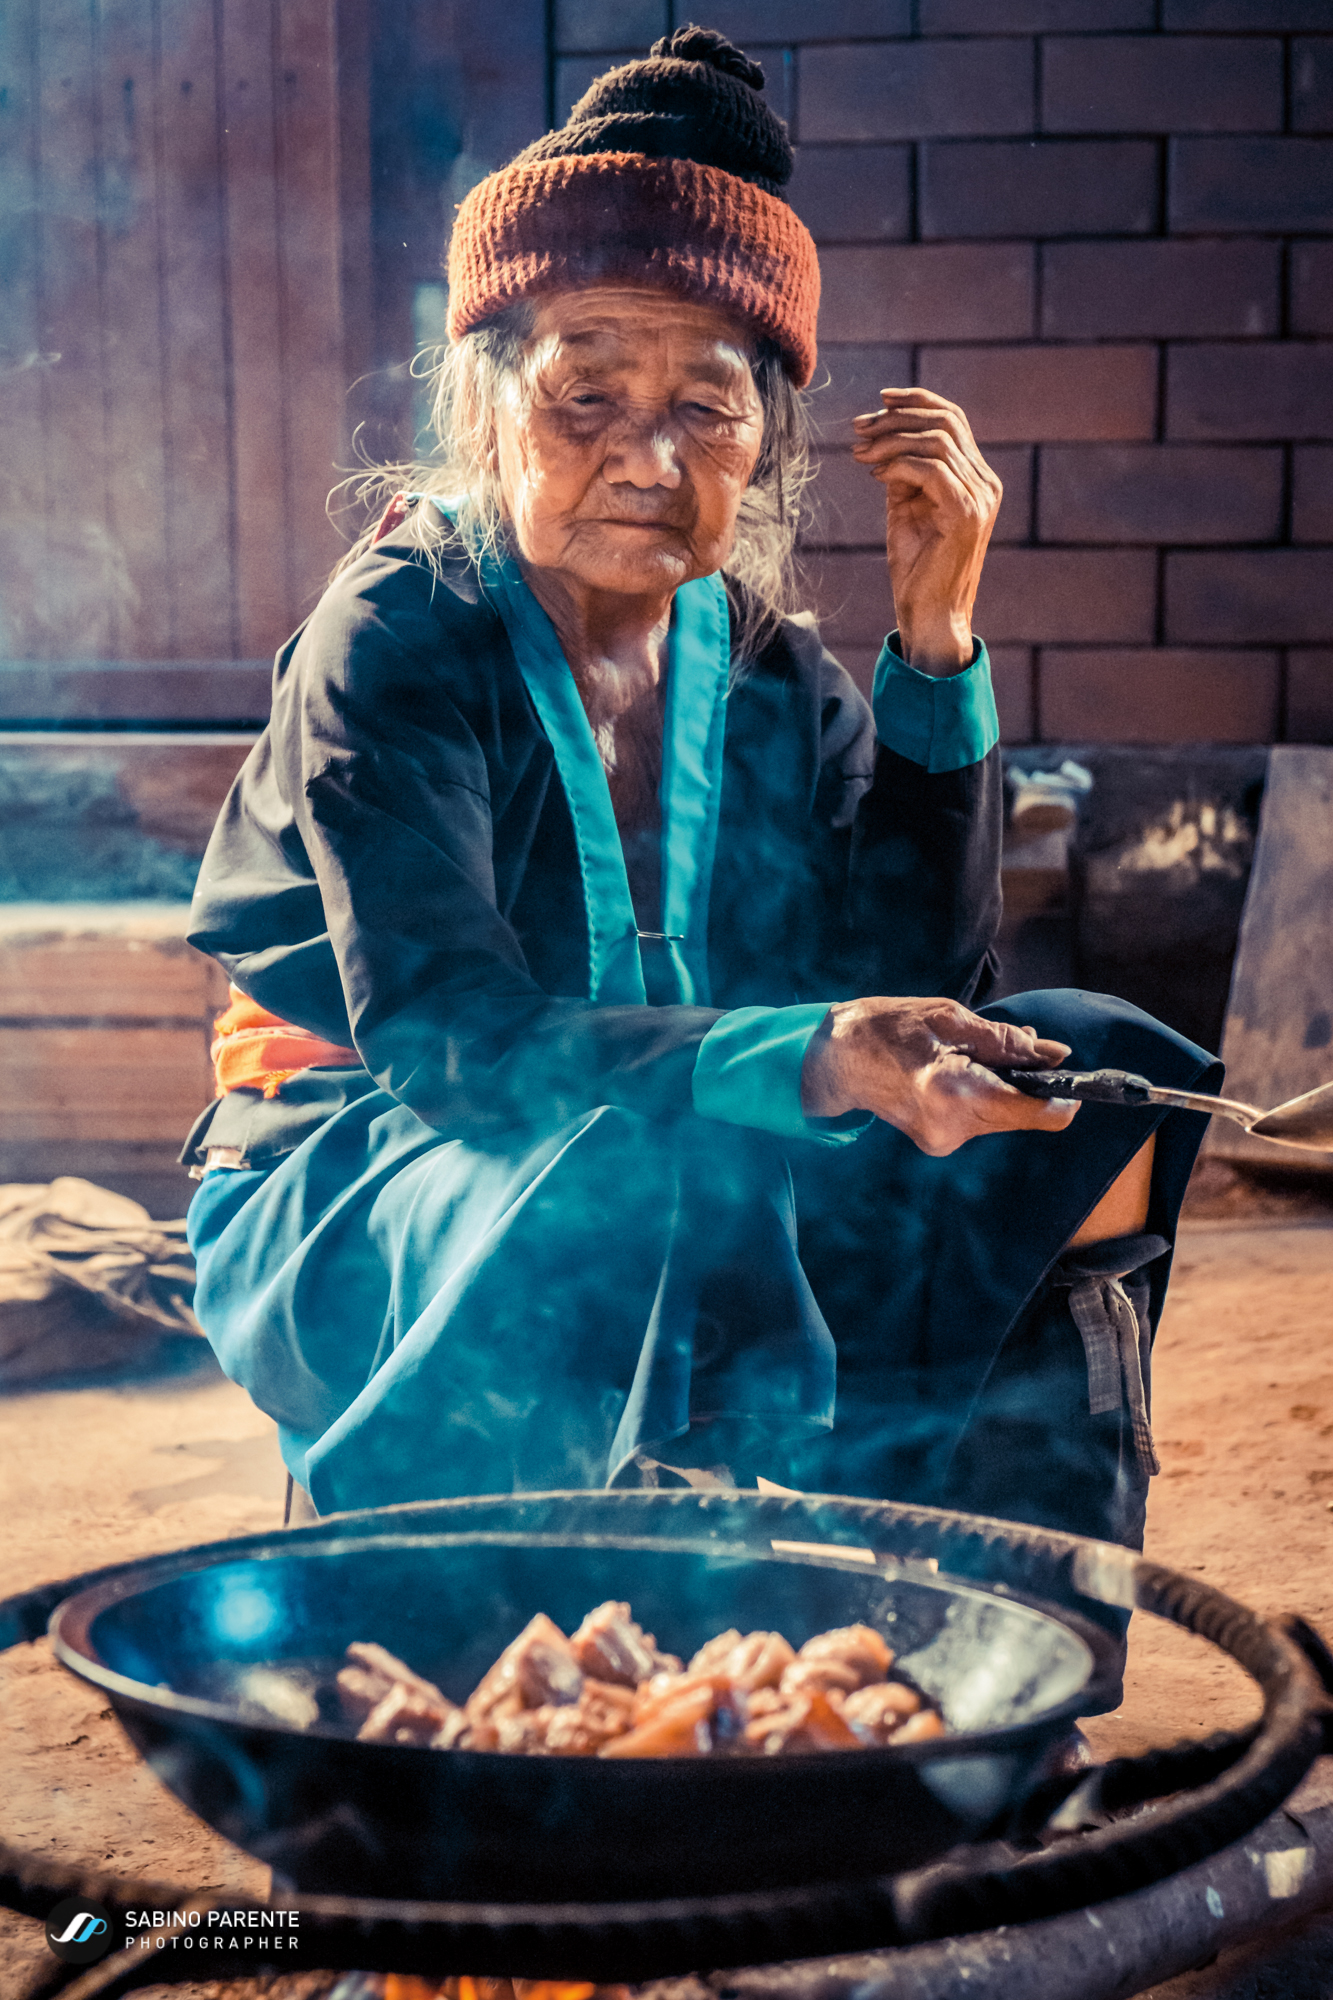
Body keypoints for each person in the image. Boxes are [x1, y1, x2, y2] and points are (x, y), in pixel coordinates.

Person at [182, 31, 1218, 1609]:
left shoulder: (757, 662)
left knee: (1092, 1082)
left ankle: (994, 1631)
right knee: (641, 1170)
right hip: (376, 1161)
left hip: (693, 1143)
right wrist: (804, 1057)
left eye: (707, 411)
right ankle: (509, 1656)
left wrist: (935, 643)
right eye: (586, 392)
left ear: (770, 439)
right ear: (486, 397)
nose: (648, 458)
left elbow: (915, 970)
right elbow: (452, 1042)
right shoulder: (396, 635)